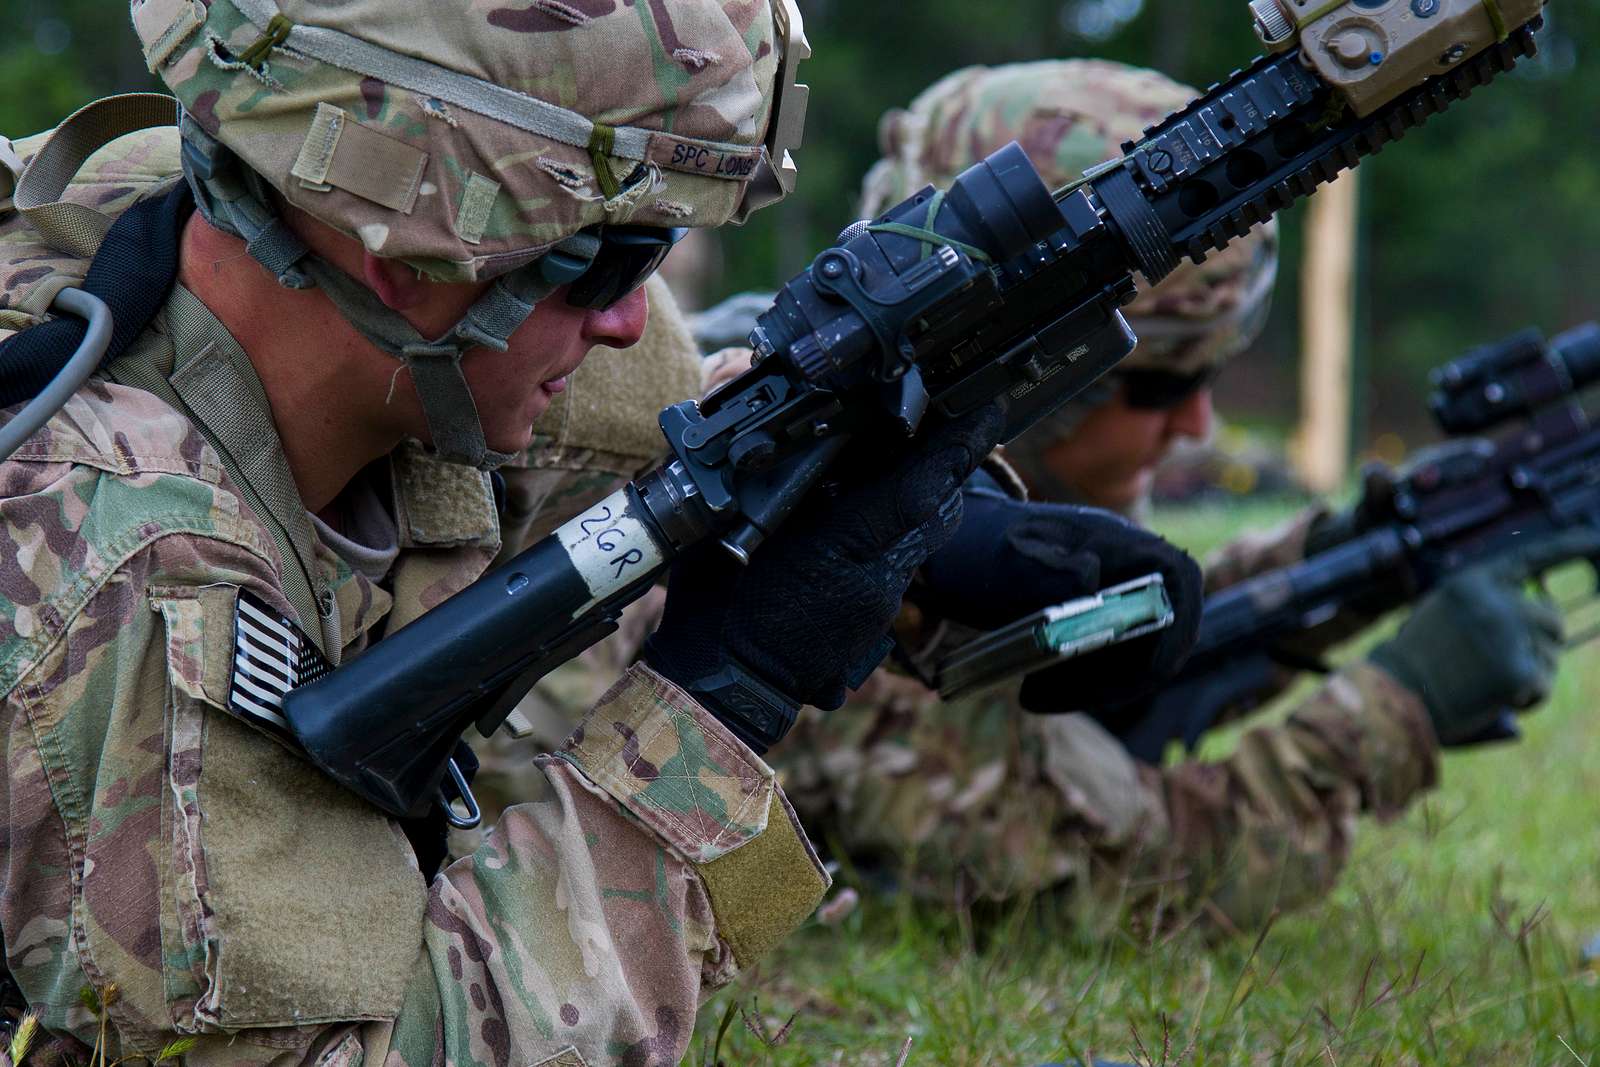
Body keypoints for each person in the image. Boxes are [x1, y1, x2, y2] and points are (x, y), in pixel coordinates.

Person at [0, 6, 1165, 1065]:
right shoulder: (114, 553)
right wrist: (724, 700)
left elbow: (677, 419)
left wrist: (930, 527)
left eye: (648, 255)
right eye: (600, 258)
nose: (622, 317)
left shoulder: (276, 255)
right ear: (399, 247)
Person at [717, 59, 1581, 932]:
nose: (1199, 426)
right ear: (1027, 380)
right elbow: (1112, 875)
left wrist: (1352, 560)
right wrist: (1398, 710)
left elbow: (1121, 659)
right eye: (1163, 388)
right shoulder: (814, 521)